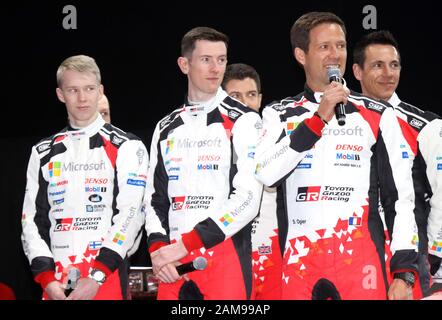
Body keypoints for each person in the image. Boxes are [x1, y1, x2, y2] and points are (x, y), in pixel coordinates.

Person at [254, 12, 420, 300]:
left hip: (359, 258)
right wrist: (317, 119)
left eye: (341, 46)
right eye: (324, 47)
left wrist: (405, 271)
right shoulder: (278, 113)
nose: (335, 55)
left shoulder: (378, 113)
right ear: (300, 55)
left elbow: (400, 198)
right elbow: (266, 174)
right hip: (300, 260)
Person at [144, 27, 263, 300]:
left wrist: (185, 245)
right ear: (184, 64)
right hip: (172, 264)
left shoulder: (244, 120)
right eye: (206, 59)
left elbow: (248, 199)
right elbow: (154, 199)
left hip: (224, 255)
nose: (216, 68)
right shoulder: (165, 127)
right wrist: (160, 250)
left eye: (221, 60)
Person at [21, 55, 149, 300]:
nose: (82, 98)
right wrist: (47, 280)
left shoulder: (127, 146)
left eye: (89, 89)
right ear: (60, 94)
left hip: (106, 277)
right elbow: (31, 222)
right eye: (73, 90)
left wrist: (98, 275)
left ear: (100, 91)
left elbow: (131, 215)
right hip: (56, 283)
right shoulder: (42, 152)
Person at [352, 30, 442, 297]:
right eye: (377, 65)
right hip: (358, 249)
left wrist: (435, 258)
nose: (388, 74)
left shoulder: (427, 126)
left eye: (394, 65)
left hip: (414, 257)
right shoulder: (340, 122)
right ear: (357, 71)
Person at [222, 63, 281, 299]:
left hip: (273, 253)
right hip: (230, 254)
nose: (245, 103)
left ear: (260, 99)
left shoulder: (278, 138)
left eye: (251, 95)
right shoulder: (211, 145)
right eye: (235, 96)